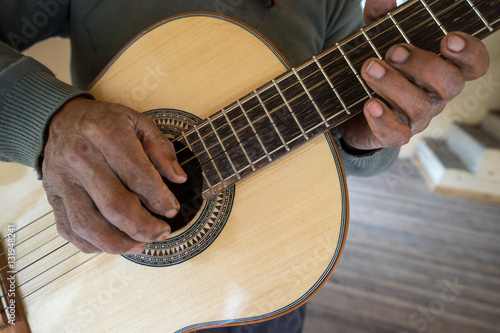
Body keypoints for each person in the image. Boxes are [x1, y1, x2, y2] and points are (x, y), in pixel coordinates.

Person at [0, 0, 490, 332]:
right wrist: (48, 119)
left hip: (266, 284)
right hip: (86, 267)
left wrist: (362, 138)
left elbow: (351, 154)